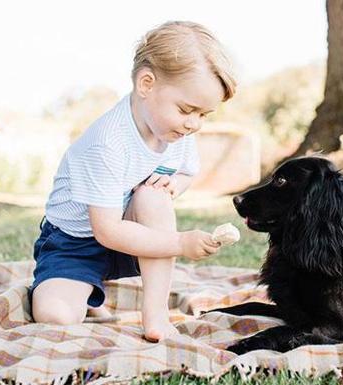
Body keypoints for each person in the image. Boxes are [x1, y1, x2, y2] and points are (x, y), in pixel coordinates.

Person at [29, 21, 237, 342]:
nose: (194, 124)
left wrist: (172, 187)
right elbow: (107, 230)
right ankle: (80, 289)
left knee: (153, 197)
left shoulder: (175, 131)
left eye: (204, 115)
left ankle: (155, 316)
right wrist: (181, 243)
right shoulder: (108, 142)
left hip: (131, 235)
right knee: (57, 317)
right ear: (146, 83)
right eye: (187, 109)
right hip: (75, 242)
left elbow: (185, 172)